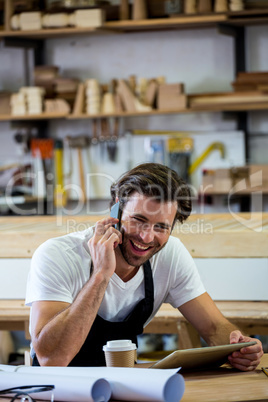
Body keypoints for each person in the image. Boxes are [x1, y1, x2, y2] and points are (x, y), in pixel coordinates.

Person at [25, 162, 263, 370]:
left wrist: (239, 347)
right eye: (138, 220)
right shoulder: (58, 255)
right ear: (116, 210)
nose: (147, 238)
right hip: (57, 389)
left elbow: (213, 328)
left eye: (161, 227)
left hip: (125, 385)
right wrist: (100, 275)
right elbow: (51, 358)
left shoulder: (170, 255)